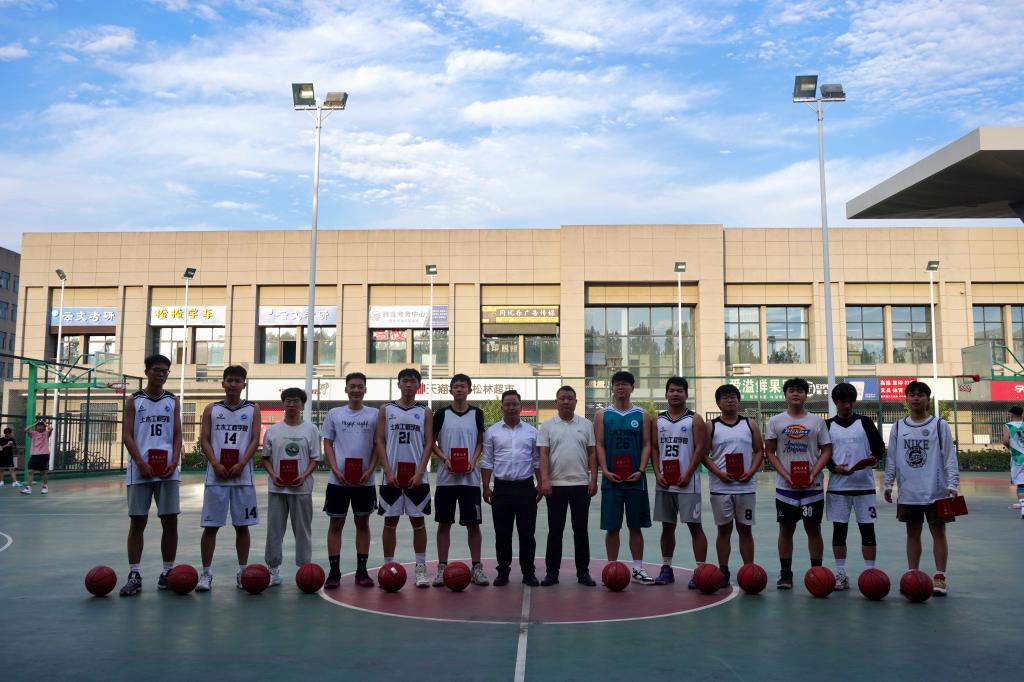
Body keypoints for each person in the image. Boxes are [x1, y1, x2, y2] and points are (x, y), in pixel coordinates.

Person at [884, 380, 959, 596]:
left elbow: (949, 456)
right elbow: (892, 458)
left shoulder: (939, 425)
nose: (916, 398)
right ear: (906, 399)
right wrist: (888, 483)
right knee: (912, 532)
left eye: (921, 394)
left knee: (938, 532)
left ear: (928, 399)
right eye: (912, 394)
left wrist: (952, 483)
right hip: (909, 492)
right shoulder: (899, 426)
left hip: (937, 491)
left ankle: (940, 578)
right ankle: (912, 575)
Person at [119, 354, 183, 596]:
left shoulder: (172, 400)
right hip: (140, 470)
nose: (161, 374)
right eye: (157, 370)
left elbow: (177, 434)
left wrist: (175, 460)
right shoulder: (134, 400)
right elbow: (127, 435)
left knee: (170, 521)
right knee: (138, 521)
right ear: (147, 372)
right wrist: (140, 461)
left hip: (167, 470)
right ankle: (134, 574)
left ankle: (167, 571)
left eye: (165, 371)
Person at [196, 365, 262, 591]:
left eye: (238, 381)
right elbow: (204, 439)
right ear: (223, 383)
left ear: (244, 384)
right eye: (230, 380)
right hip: (216, 476)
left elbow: (254, 439)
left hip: (242, 477)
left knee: (242, 526)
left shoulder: (253, 409)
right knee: (210, 526)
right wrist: (215, 463)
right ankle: (206, 573)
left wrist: (242, 463)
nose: (233, 384)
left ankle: (243, 571)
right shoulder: (211, 409)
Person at [764, 377, 832, 590]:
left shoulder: (817, 422)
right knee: (786, 529)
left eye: (800, 391)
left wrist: (813, 473)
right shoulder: (775, 421)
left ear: (805, 395)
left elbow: (827, 450)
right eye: (791, 390)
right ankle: (786, 574)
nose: (795, 394)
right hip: (786, 488)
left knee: (814, 529)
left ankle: (816, 572)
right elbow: (769, 451)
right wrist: (785, 474)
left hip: (812, 486)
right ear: (785, 395)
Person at [595, 370, 655, 585]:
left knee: (635, 525)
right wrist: (604, 470)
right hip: (611, 479)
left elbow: (647, 444)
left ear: (632, 387)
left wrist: (641, 469)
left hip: (635, 479)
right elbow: (599, 444)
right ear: (612, 388)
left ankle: (638, 568)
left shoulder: (642, 415)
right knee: (612, 526)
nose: (621, 387)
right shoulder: (602, 414)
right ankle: (612, 567)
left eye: (625, 384)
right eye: (617, 384)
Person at [376, 368, 434, 588]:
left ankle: (420, 568)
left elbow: (429, 443)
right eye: (405, 381)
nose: (408, 384)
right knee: (389, 522)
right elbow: (379, 441)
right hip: (391, 476)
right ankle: (387, 567)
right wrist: (387, 471)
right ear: (399, 384)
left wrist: (420, 472)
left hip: (417, 477)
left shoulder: (425, 411)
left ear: (418, 385)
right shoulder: (387, 409)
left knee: (418, 522)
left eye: (412, 381)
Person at [825, 382, 885, 590]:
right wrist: (834, 468)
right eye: (843, 402)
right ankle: (841, 573)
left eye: (850, 401)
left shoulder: (865, 423)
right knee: (839, 531)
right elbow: (822, 454)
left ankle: (870, 572)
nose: (847, 405)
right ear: (835, 402)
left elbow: (879, 448)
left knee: (867, 530)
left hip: (864, 487)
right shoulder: (828, 425)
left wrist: (872, 459)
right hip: (838, 487)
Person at [703, 384, 764, 590]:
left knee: (745, 530)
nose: (729, 400)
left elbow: (759, 451)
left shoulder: (750, 424)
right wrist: (719, 473)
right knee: (724, 530)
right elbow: (703, 455)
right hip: (721, 487)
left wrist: (751, 471)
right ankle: (723, 570)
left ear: (738, 401)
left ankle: (749, 570)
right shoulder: (711, 426)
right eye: (725, 397)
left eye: (733, 397)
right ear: (718, 403)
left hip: (745, 486)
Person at [651, 377, 709, 588]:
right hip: (665, 482)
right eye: (672, 390)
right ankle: (666, 568)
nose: (675, 394)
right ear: (666, 394)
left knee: (695, 526)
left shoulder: (695, 419)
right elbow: (654, 448)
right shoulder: (658, 420)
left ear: (686, 394)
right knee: (667, 527)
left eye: (679, 391)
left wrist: (688, 473)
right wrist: (657, 473)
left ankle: (700, 570)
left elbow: (700, 448)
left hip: (688, 483)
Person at [322, 372, 379, 589]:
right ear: (346, 389)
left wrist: (370, 470)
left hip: (365, 481)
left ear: (365, 389)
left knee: (362, 523)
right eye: (352, 386)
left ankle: (362, 572)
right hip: (338, 481)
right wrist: (335, 469)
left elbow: (378, 445)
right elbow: (328, 443)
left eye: (360, 386)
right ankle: (334, 571)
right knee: (336, 524)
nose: (356, 390)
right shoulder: (334, 414)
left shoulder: (374, 414)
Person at [431, 374, 489, 587]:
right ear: (450, 390)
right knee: (444, 523)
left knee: (473, 525)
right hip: (446, 480)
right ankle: (441, 568)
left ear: (469, 390)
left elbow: (481, 442)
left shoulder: (477, 413)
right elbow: (432, 442)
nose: (459, 389)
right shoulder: (441, 414)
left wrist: (473, 461)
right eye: (455, 386)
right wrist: (445, 458)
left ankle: (477, 568)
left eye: (463, 386)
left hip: (470, 480)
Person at [537, 385, 597, 587]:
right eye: (562, 398)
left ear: (576, 402)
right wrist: (544, 480)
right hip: (555, 485)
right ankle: (552, 573)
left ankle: (583, 573)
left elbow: (592, 453)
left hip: (581, 485)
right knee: (555, 531)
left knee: (581, 531)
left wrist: (593, 479)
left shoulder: (586, 424)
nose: (566, 401)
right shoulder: (547, 426)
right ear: (556, 402)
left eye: (570, 398)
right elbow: (543, 454)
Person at [482, 389, 541, 586]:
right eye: (507, 404)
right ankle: (503, 572)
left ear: (520, 407)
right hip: (502, 489)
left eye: (515, 404)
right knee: (502, 535)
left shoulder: (532, 432)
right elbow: (487, 462)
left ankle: (529, 572)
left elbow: (537, 461)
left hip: (526, 488)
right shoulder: (492, 432)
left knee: (527, 535)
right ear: (502, 407)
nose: (511, 407)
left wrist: (541, 483)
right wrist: (486, 487)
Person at [262, 387, 320, 586]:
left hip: (301, 488)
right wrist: (273, 475)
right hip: (277, 488)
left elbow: (315, 459)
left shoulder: (311, 430)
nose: (292, 404)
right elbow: (265, 458)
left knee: (303, 531)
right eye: (288, 400)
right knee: (274, 530)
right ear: (283, 404)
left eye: (296, 401)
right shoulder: (273, 430)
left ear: (302, 405)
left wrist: (303, 475)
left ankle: (305, 570)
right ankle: (273, 569)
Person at [1000, 405, 1024, 519]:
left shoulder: (1008, 425)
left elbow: (1005, 441)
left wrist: (1011, 447)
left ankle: (1023, 507)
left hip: (1017, 457)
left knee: (1021, 483)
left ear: (1012, 414)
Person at [19, 420, 53, 495]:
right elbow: (26, 429)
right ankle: (28, 488)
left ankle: (45, 487)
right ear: (36, 427)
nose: (39, 427)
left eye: (41, 425)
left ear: (44, 427)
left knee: (43, 472)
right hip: (34, 455)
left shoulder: (46, 433)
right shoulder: (33, 433)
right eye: (38, 425)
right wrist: (35, 424)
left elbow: (51, 428)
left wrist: (45, 424)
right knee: (30, 471)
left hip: (44, 455)